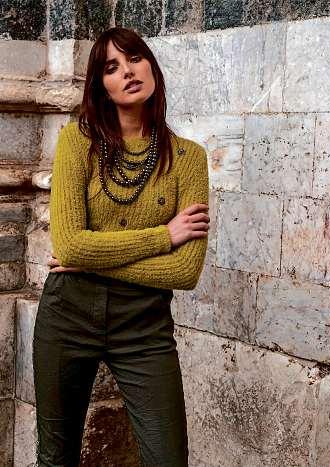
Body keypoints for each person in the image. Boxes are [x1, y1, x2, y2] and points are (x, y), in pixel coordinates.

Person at [32, 26, 210, 467]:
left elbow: (184, 272)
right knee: (55, 458)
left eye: (134, 58)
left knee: (168, 459)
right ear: (101, 86)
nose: (128, 72)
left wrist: (89, 259)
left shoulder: (189, 158)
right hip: (68, 316)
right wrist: (164, 236)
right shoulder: (77, 142)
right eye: (112, 67)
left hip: (144, 326)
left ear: (151, 66)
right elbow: (70, 244)